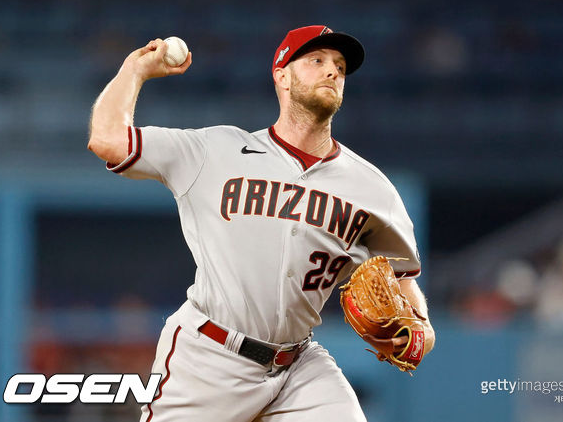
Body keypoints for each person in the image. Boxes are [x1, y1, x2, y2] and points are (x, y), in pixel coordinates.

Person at [88, 25, 435, 422]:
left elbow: (403, 281)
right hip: (209, 357)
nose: (332, 72)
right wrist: (133, 71)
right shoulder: (213, 150)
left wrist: (420, 329)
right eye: (317, 61)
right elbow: (108, 139)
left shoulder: (372, 188)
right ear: (282, 75)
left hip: (298, 365)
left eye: (339, 66)